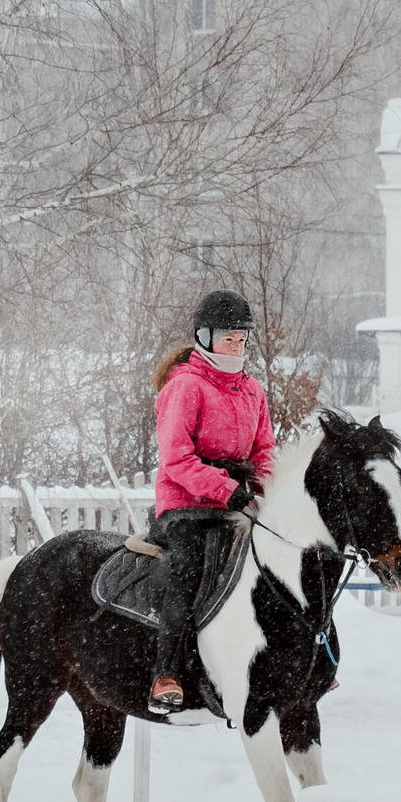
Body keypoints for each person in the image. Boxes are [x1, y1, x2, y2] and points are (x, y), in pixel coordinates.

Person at [145, 290, 277, 714]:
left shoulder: (253, 391)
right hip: (187, 506)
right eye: (229, 340)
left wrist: (264, 489)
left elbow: (265, 452)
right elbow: (177, 459)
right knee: (187, 567)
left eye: (242, 340)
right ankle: (167, 671)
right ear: (205, 337)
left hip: (236, 505)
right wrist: (227, 490)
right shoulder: (184, 388)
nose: (236, 348)